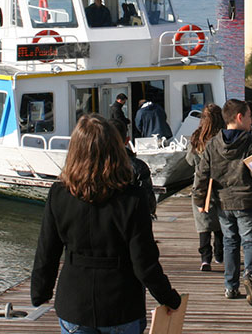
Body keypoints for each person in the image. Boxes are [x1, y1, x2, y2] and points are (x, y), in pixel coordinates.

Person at [31, 114, 181, 334]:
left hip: (75, 303)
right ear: (115, 150)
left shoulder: (59, 195)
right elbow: (144, 262)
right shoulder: (133, 198)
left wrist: (40, 293)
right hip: (121, 304)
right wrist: (168, 297)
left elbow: (47, 251)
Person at [192, 98, 252, 306]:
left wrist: (199, 199)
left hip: (223, 201)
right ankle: (249, 275)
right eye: (249, 116)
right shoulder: (250, 141)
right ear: (239, 117)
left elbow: (202, 173)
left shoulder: (214, 143)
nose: (251, 121)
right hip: (247, 200)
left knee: (230, 242)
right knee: (250, 241)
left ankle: (230, 286)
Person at [185, 104, 225, 271]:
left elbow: (189, 160)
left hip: (200, 184)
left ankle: (205, 258)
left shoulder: (196, 137)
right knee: (220, 222)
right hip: (219, 183)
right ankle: (220, 254)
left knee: (203, 224)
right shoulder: (222, 137)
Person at [110, 117, 157, 218]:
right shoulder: (138, 166)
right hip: (131, 223)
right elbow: (149, 203)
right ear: (127, 140)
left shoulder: (92, 166)